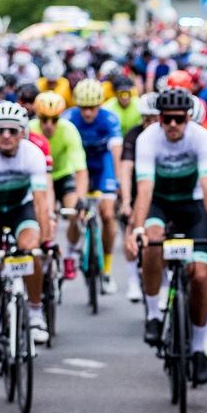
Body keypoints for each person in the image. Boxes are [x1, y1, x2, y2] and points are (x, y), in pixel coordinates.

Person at [124, 89, 207, 384]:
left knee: (201, 275)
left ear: (188, 118)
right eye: (166, 119)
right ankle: (154, 314)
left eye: (178, 119)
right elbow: (144, 188)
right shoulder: (147, 139)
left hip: (192, 206)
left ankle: (197, 348)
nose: (172, 125)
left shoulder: (202, 137)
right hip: (160, 203)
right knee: (152, 240)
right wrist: (138, 228)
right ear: (159, 118)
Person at [0, 101, 54, 345]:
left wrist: (47, 240)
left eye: (12, 130)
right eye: (0, 130)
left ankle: (36, 311)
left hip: (21, 208)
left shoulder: (33, 154)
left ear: (23, 133)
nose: (6, 136)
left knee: (30, 250)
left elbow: (41, 204)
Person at [66, 79, 124, 294]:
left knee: (108, 214)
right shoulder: (69, 118)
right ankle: (71, 253)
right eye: (83, 108)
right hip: (79, 165)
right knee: (74, 210)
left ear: (100, 105)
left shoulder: (109, 118)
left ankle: (106, 271)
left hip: (102, 166)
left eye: (92, 108)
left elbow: (117, 151)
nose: (88, 113)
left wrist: (118, 182)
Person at [32, 92, 87, 281]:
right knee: (42, 215)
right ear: (38, 117)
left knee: (74, 212)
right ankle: (45, 252)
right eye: (44, 119)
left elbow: (80, 169)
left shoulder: (69, 130)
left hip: (62, 175)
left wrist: (81, 199)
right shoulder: (30, 130)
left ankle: (70, 255)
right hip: (38, 178)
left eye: (54, 120)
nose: (49, 125)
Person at [117, 93, 159, 302]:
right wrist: (126, 201)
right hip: (137, 185)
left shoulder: (165, 135)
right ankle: (133, 279)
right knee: (132, 225)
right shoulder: (134, 136)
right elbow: (126, 168)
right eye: (147, 119)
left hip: (160, 187)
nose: (150, 124)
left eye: (155, 119)